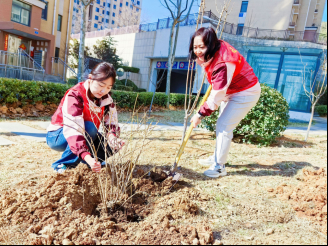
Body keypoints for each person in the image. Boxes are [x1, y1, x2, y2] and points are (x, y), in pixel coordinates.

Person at [189, 27, 261, 178]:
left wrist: (200, 114)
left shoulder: (223, 61)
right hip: (232, 90)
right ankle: (217, 157)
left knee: (223, 125)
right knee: (223, 125)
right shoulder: (214, 51)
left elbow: (217, 94)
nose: (198, 51)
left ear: (211, 44)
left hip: (245, 92)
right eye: (195, 47)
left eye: (202, 47)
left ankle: (219, 167)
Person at [46, 62, 124, 173]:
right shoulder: (75, 95)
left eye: (108, 87)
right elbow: (73, 130)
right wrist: (86, 155)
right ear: (91, 78)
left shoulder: (106, 100)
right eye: (101, 85)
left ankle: (92, 162)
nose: (104, 91)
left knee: (110, 146)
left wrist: (113, 138)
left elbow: (111, 123)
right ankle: (63, 165)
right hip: (58, 136)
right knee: (90, 127)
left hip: (86, 132)